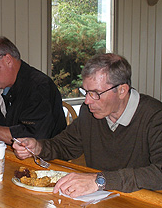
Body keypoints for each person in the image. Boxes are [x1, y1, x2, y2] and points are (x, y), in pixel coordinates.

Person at [13, 53, 162, 197]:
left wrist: (100, 180)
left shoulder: (155, 116)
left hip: (143, 200)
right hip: (99, 198)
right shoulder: (90, 113)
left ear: (122, 90)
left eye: (96, 93)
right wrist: (38, 147)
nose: (87, 101)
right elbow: (65, 145)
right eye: (86, 92)